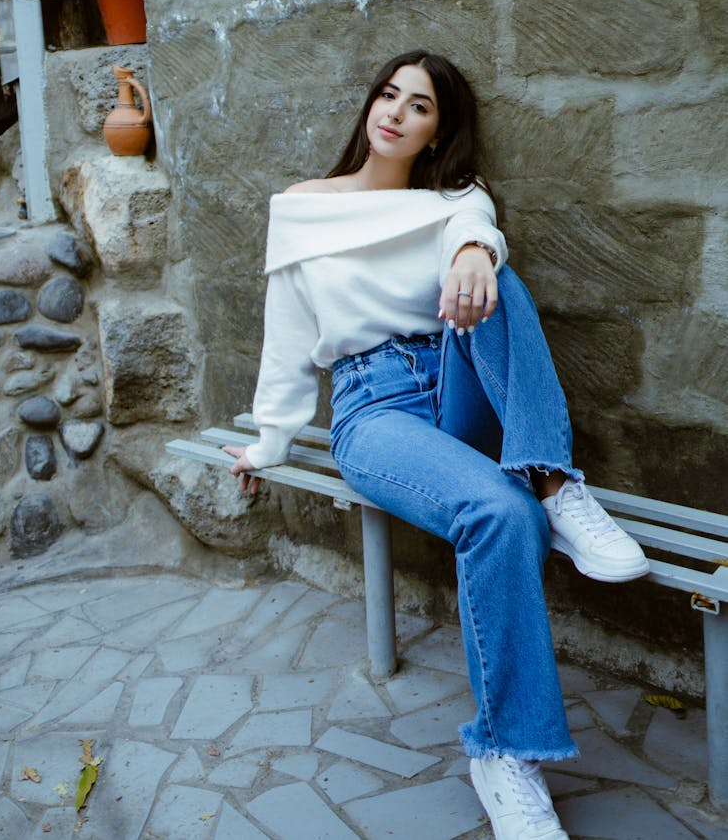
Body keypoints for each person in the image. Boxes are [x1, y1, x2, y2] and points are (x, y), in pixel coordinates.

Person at [224, 51, 648, 840]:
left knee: (494, 272)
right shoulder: (303, 207)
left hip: (458, 382)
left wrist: (470, 248)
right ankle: (505, 756)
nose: (395, 113)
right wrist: (268, 441)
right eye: (387, 95)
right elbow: (286, 341)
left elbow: (473, 225)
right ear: (369, 106)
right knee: (499, 513)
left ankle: (558, 483)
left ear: (436, 130)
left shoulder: (454, 201)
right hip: (374, 406)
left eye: (419, 106)